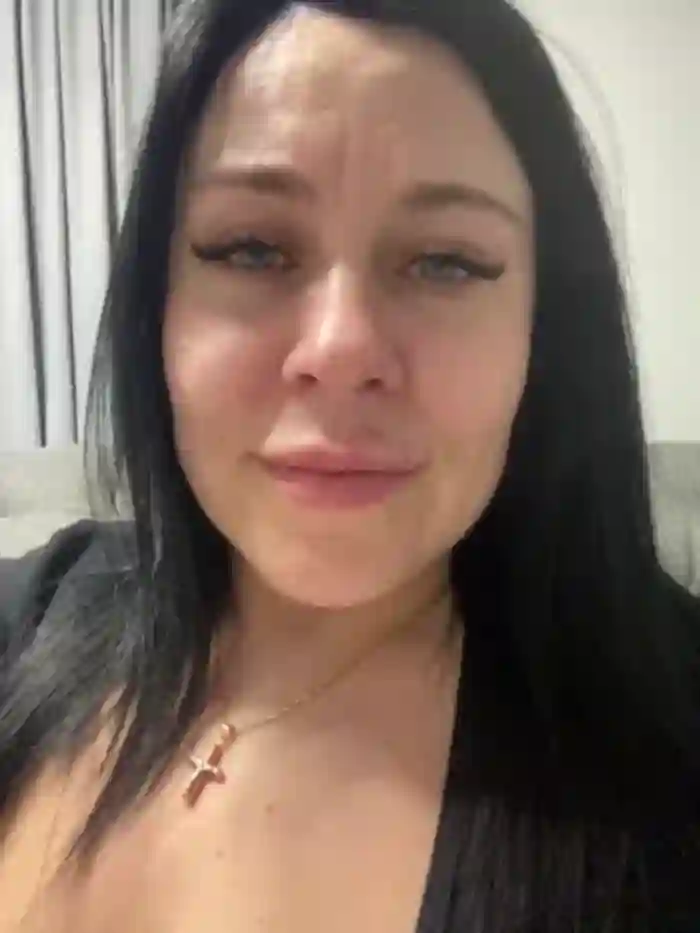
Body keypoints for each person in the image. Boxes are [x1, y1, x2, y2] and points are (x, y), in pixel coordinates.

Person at [0, 0, 698, 930]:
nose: (340, 348)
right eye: (252, 248)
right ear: (156, 306)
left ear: (546, 329)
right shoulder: (29, 618)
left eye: (446, 262)